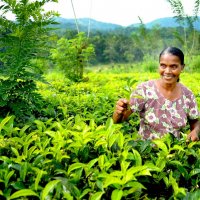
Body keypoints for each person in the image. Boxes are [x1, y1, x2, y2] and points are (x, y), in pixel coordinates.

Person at [113, 47, 200, 141]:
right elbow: (119, 120)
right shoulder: (144, 90)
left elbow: (195, 121)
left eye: (173, 66)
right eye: (163, 65)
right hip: (146, 153)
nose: (167, 71)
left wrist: (195, 131)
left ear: (182, 67)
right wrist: (118, 113)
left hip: (176, 152)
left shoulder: (188, 95)